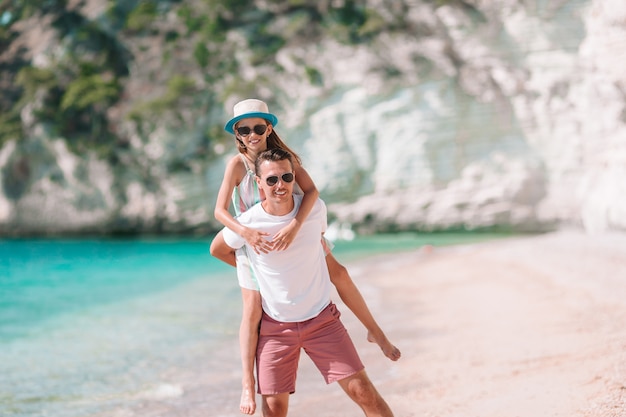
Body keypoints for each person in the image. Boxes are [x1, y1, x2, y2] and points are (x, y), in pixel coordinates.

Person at [212, 98, 400, 415]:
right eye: (245, 129)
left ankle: (375, 331)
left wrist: (298, 226)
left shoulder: (287, 161)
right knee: (252, 307)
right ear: (238, 133)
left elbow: (312, 192)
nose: (252, 133)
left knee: (338, 273)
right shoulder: (236, 165)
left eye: (259, 127)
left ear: (269, 127)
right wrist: (249, 240)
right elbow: (219, 214)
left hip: (299, 228)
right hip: (253, 239)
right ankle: (248, 384)